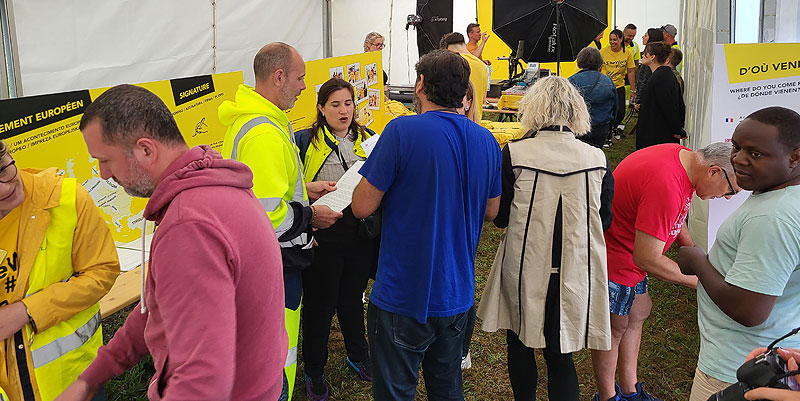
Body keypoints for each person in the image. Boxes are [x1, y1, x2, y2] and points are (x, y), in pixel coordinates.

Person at [57, 84, 288, 400]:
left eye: (106, 160)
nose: (103, 174)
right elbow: (159, 306)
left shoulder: (189, 226)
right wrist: (91, 378)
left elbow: (202, 380)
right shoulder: (213, 181)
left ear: (146, 150)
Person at [351, 49, 502, 401]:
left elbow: (360, 206)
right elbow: (492, 211)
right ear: (465, 92)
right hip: (457, 293)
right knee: (447, 388)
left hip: (403, 295)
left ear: (420, 84)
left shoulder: (401, 130)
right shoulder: (487, 141)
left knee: (394, 392)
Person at [218, 42, 342, 400]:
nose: (305, 86)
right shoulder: (264, 134)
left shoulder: (259, 121)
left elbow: (264, 190)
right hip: (273, 268)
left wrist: (305, 189)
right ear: (279, 77)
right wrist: (310, 218)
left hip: (267, 264)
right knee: (275, 357)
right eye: (301, 78)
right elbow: (268, 216)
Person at [478, 75, 614, 401]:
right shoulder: (597, 159)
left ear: (534, 109)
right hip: (574, 269)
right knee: (560, 354)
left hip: (525, 265)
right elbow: (604, 220)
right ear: (575, 110)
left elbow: (503, 218)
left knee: (521, 344)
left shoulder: (514, 153)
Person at [591, 141, 741, 401]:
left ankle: (629, 391)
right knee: (615, 328)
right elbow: (648, 257)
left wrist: (692, 250)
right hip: (615, 257)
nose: (727, 197)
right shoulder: (667, 183)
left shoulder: (683, 159)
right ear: (714, 171)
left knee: (638, 312)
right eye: (731, 189)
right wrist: (703, 281)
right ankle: (606, 397)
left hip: (626, 251)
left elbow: (675, 214)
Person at [677, 107, 800, 401]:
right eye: (736, 147)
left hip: (736, 367)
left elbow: (749, 309)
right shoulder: (780, 198)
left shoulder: (773, 218)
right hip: (763, 353)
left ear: (795, 157)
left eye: (755, 154)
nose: (738, 160)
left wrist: (697, 260)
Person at [0, 141, 119, 401]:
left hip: (70, 383)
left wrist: (26, 311)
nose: (6, 187)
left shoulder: (65, 198)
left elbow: (103, 271)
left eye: (3, 169)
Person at [294, 78, 378, 400]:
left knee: (352, 298)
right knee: (319, 305)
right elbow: (294, 186)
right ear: (321, 108)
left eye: (348, 103)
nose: (344, 111)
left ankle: (358, 355)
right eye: (335, 104)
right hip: (322, 234)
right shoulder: (304, 141)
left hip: (360, 233)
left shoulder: (369, 139)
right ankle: (314, 370)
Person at [636, 41, 686, 150]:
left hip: (657, 136)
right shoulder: (665, 75)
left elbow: (669, 107)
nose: (643, 55)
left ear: (652, 57)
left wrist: (677, 130)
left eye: (646, 53)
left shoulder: (661, 77)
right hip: (658, 134)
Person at [569, 47, 618, 148]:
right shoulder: (608, 81)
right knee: (596, 154)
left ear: (580, 61)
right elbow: (615, 106)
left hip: (579, 127)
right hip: (601, 127)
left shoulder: (572, 81)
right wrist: (610, 126)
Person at [440, 32, 488, 121]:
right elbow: (483, 99)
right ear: (464, 44)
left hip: (454, 122)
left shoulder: (451, 63)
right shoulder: (483, 66)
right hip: (475, 123)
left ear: (447, 49)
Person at [600, 29, 636, 146]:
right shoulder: (603, 52)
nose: (612, 42)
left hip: (619, 86)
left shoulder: (628, 53)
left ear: (621, 39)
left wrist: (633, 90)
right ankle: (607, 135)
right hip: (606, 86)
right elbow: (598, 69)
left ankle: (613, 128)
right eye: (610, 40)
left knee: (620, 112)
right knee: (607, 112)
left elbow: (631, 71)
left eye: (615, 39)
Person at [633, 28, 664, 110]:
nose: (643, 37)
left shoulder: (649, 62)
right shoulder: (656, 58)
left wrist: (638, 100)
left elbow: (645, 81)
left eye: (646, 35)